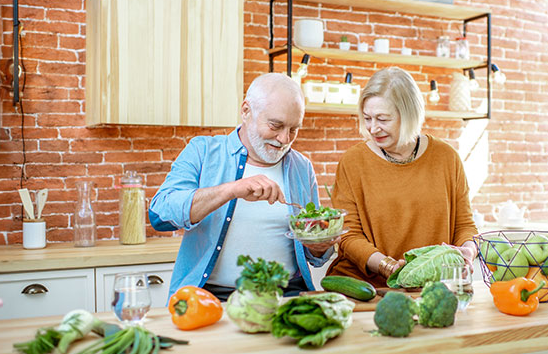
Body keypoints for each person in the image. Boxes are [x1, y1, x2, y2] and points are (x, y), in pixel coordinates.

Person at [149, 73, 337, 300]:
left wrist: (319, 245)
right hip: (213, 298)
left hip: (288, 295)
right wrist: (231, 190)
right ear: (246, 111)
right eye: (275, 125)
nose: (284, 139)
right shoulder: (202, 151)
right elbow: (160, 215)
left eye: (293, 129)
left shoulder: (302, 167)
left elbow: (315, 255)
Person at [326, 67, 479, 287]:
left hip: (429, 286)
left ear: (409, 115)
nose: (373, 128)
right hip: (365, 286)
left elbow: (464, 225)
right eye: (367, 118)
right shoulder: (353, 162)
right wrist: (389, 267)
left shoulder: (447, 158)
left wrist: (468, 251)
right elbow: (348, 237)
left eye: (383, 119)